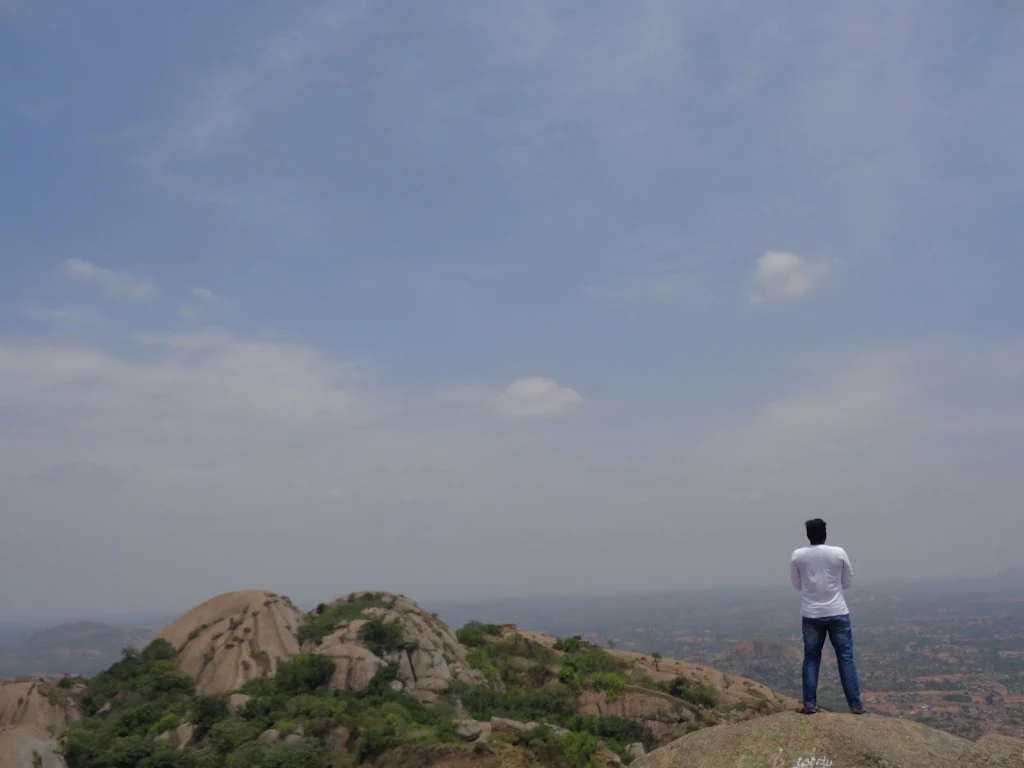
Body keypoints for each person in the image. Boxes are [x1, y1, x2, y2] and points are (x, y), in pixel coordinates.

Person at [790, 518, 865, 715]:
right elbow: (848, 581)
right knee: (846, 658)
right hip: (838, 611)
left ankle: (809, 704)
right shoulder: (838, 552)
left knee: (811, 658)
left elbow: (797, 584)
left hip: (811, 613)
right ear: (825, 534)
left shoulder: (798, 555)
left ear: (808, 535)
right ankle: (856, 706)